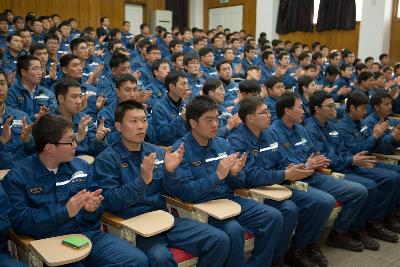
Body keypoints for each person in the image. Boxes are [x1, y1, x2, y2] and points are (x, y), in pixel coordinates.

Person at [94, 100, 229, 267]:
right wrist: (141, 181)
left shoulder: (157, 152)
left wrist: (170, 172)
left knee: (218, 239)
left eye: (144, 120)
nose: (141, 126)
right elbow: (112, 202)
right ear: (118, 126)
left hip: (164, 218)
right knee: (160, 258)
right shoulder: (106, 160)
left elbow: (173, 191)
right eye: (133, 121)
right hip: (134, 225)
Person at [2, 114, 148, 267]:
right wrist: (65, 211)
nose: (75, 145)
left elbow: (98, 202)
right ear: (50, 147)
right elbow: (21, 222)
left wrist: (91, 208)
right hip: (49, 242)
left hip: (86, 235)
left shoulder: (81, 167)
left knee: (137, 260)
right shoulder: (18, 177)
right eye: (70, 141)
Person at [164, 95, 283, 267]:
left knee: (273, 216)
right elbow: (186, 192)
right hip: (202, 208)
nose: (215, 124)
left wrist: (235, 174)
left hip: (228, 200)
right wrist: (218, 175)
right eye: (209, 120)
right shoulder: (180, 150)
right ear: (193, 122)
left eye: (217, 119)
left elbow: (238, 183)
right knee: (233, 230)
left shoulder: (222, 144)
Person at [229, 96, 335, 266]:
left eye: (268, 111)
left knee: (322, 201)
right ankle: (271, 260)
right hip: (253, 190)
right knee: (289, 209)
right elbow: (251, 175)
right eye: (264, 112)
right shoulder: (237, 140)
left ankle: (289, 253)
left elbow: (282, 160)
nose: (270, 115)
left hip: (277, 185)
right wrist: (285, 174)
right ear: (250, 118)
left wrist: (298, 168)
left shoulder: (269, 134)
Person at [269, 92, 369, 252]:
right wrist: (306, 164)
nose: (303, 111)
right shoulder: (272, 133)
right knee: (325, 201)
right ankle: (300, 248)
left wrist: (313, 163)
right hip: (292, 181)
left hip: (313, 174)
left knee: (359, 191)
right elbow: (282, 164)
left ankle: (334, 236)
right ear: (287, 111)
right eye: (299, 107)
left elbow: (313, 153)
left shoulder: (300, 129)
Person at [306, 90, 399, 246]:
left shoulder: (331, 126)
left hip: (349, 163)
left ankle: (373, 221)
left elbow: (344, 151)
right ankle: (348, 229)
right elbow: (327, 160)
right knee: (370, 186)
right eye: (329, 106)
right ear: (317, 108)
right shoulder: (314, 129)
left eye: (333, 105)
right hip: (336, 169)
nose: (333, 109)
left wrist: (388, 139)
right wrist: (354, 157)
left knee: (392, 176)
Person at [6, 55, 57, 122]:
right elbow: (13, 117)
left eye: (40, 69)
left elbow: (54, 113)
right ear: (23, 72)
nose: (40, 73)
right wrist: (36, 117)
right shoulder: (10, 93)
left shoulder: (48, 93)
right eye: (35, 69)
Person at [0, 70, 34, 169]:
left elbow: (34, 152)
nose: (0, 88)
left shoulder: (21, 116)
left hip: (21, 175)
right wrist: (1, 142)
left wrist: (27, 140)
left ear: (8, 87)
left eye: (2, 83)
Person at [151, 71, 189, 146]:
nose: (187, 88)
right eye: (183, 84)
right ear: (171, 87)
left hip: (187, 144)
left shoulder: (186, 103)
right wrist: (181, 118)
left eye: (187, 84)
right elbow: (163, 135)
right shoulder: (159, 107)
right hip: (170, 148)